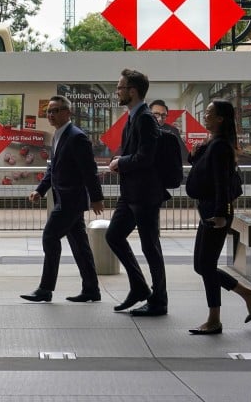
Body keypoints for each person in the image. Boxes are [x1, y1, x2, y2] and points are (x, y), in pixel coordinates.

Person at [186, 99, 251, 335]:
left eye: (209, 113)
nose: (205, 116)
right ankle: (249, 295)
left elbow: (221, 184)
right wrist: (198, 151)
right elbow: (202, 167)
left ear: (220, 118)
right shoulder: (215, 144)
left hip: (216, 213)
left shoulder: (221, 147)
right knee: (201, 265)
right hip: (209, 210)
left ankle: (214, 320)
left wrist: (221, 215)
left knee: (206, 266)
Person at [21, 95, 105, 303]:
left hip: (71, 199)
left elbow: (89, 170)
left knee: (50, 237)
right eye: (49, 111)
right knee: (80, 246)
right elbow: (53, 168)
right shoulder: (58, 135)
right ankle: (91, 289)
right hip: (64, 199)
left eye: (56, 110)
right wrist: (40, 190)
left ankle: (45, 289)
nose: (51, 114)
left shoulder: (77, 137)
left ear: (68, 113)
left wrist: (96, 198)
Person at [105, 69, 170, 317]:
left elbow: (146, 157)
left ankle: (159, 300)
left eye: (120, 87)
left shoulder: (144, 118)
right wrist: (119, 160)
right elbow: (134, 153)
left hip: (144, 194)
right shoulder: (133, 116)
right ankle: (140, 287)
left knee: (150, 246)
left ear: (132, 91)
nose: (117, 91)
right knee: (113, 235)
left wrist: (121, 163)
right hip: (130, 193)